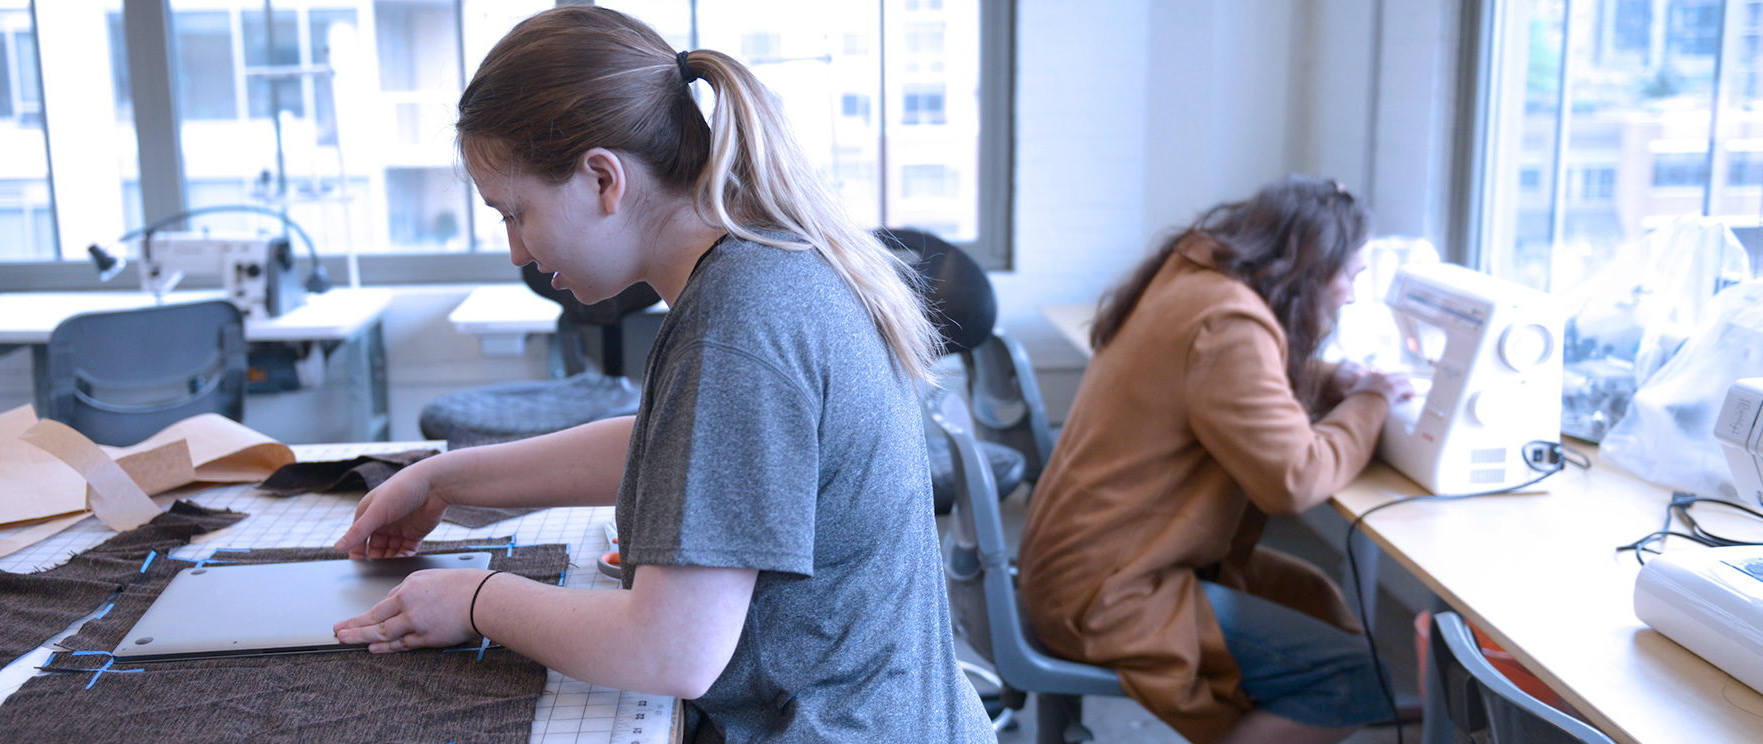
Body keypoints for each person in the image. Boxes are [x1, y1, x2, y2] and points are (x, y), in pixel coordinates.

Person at [329, 7, 996, 742]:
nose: (517, 251)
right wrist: (443, 481)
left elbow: (672, 650)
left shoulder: (740, 320)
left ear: (603, 179)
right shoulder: (768, 264)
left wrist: (476, 598)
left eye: (516, 213)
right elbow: (689, 452)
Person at [1017, 175, 1415, 744]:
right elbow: (1295, 478)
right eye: (1350, 274)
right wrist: (1373, 401)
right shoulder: (1228, 322)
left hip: (1089, 561)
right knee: (1346, 677)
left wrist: (1336, 383)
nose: (1351, 293)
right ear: (1306, 269)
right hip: (1110, 590)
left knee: (1319, 603)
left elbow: (1235, 384)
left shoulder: (1194, 280)